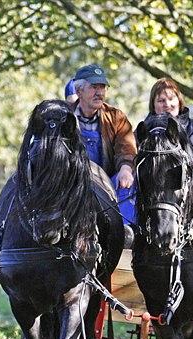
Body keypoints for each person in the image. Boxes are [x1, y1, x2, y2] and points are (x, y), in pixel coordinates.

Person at [70, 64, 137, 245]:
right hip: (71, 183)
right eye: (94, 87)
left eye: (102, 87)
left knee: (128, 182)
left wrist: (125, 169)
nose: (99, 92)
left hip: (106, 183)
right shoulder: (64, 115)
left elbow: (127, 147)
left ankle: (124, 233)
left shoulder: (116, 117)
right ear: (79, 90)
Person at [147, 78, 193, 174]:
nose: (167, 104)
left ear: (179, 101)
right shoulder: (143, 133)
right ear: (153, 104)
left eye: (171, 99)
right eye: (161, 100)